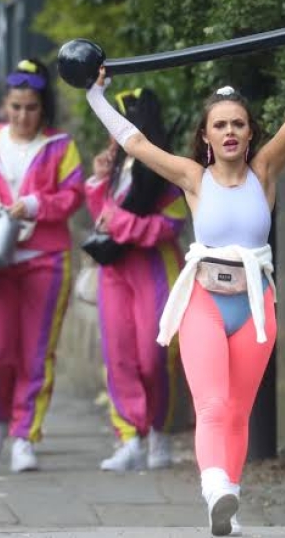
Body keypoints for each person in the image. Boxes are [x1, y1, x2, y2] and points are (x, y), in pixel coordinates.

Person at [85, 26, 285, 534]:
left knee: (238, 412)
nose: (229, 132)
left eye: (238, 124)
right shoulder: (191, 177)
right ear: (206, 135)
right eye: (219, 125)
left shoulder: (265, 171)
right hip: (204, 300)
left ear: (248, 132)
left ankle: (229, 504)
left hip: (255, 305)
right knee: (213, 406)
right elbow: (135, 141)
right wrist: (94, 93)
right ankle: (214, 487)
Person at [0, 58, 84, 472]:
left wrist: (35, 204)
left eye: (30, 107)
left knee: (37, 352)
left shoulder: (61, 146)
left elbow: (73, 197)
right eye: (15, 106)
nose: (22, 115)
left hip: (46, 258)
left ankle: (24, 435)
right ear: (4, 105)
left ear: (43, 107)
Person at [85, 87, 186, 471]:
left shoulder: (167, 167)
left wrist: (122, 223)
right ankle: (129, 436)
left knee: (154, 354)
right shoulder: (113, 167)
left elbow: (170, 225)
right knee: (119, 356)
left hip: (155, 266)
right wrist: (98, 183)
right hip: (115, 269)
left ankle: (159, 430)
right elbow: (101, 220)